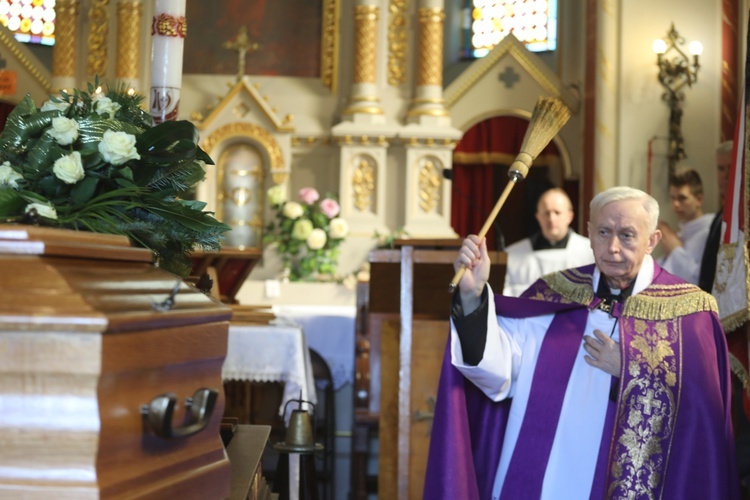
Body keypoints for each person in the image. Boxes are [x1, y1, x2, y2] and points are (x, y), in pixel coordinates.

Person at [424, 186, 739, 500]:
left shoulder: (689, 311)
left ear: (652, 241)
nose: (613, 247)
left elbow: (706, 417)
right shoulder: (554, 293)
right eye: (603, 232)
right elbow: (497, 373)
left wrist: (632, 370)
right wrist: (472, 295)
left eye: (627, 235)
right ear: (588, 232)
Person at [502, 187, 594, 296]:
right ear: (538, 217)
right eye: (546, 213)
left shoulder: (590, 251)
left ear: (570, 216)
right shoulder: (511, 255)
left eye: (557, 212)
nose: (551, 219)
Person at [656, 169, 714, 285]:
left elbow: (701, 279)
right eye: (672, 198)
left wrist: (675, 250)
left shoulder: (710, 232)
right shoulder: (681, 233)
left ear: (699, 199)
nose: (676, 204)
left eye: (682, 198)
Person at [699, 140, 733, 292]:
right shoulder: (718, 217)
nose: (726, 175)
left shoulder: (742, 219)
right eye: (721, 168)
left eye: (731, 168)